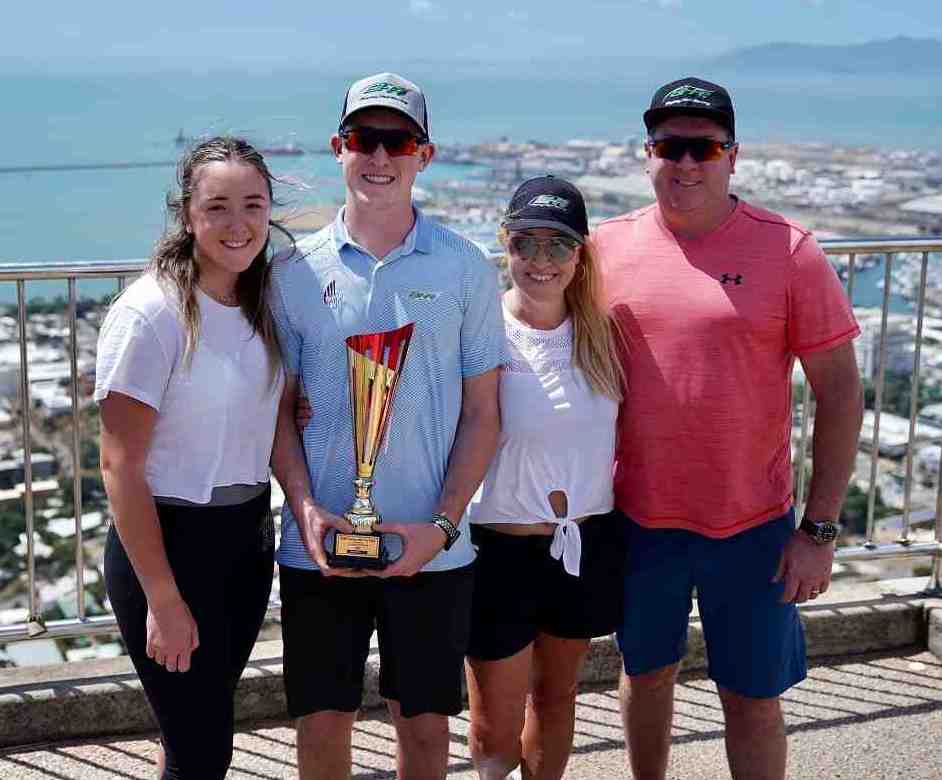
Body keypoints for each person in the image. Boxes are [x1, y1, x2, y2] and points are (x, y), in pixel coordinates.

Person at [593, 77, 864, 780]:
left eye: (703, 147)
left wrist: (820, 530)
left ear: (732, 156)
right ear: (646, 152)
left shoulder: (790, 250)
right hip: (639, 520)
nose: (685, 162)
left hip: (752, 528)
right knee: (644, 675)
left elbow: (839, 395)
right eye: (669, 146)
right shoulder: (605, 248)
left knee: (751, 698)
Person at [269, 72, 505, 780]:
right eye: (363, 139)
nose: (379, 156)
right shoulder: (291, 271)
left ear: (424, 154)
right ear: (338, 149)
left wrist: (442, 525)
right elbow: (277, 411)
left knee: (427, 730)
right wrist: (307, 510)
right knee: (320, 725)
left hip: (432, 548)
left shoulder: (466, 267)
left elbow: (484, 415)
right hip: (319, 543)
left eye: (396, 140)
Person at [96, 136, 288, 779]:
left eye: (253, 205)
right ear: (187, 215)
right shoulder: (150, 315)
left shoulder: (260, 301)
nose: (239, 224)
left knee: (195, 733)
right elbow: (120, 466)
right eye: (218, 207)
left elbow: (271, 418)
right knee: (205, 750)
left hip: (245, 541)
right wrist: (163, 598)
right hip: (170, 547)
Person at [463, 175, 627, 780]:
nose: (541, 260)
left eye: (558, 245)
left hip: (582, 544)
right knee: (492, 727)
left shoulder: (603, 336)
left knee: (557, 702)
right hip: (497, 548)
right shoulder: (479, 332)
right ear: (504, 245)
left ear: (580, 256)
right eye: (526, 243)